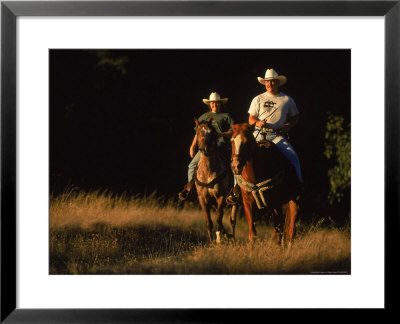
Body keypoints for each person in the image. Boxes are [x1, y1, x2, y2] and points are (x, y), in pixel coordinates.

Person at [249, 68, 303, 183]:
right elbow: (251, 119)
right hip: (258, 133)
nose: (269, 84)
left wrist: (288, 125)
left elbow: (295, 117)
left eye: (272, 81)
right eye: (267, 81)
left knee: (293, 157)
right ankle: (235, 190)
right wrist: (258, 122)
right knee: (239, 157)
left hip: (276, 135)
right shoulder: (257, 99)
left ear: (278, 82)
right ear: (264, 83)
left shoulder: (287, 100)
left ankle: (299, 187)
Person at [178, 92, 234, 201]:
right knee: (192, 166)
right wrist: (192, 146)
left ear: (220, 104)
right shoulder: (204, 116)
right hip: (206, 146)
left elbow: (233, 131)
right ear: (209, 104)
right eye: (212, 103)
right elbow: (198, 132)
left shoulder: (226, 116)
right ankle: (190, 189)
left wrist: (220, 134)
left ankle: (233, 190)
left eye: (217, 103)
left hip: (221, 144)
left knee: (232, 166)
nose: (215, 105)